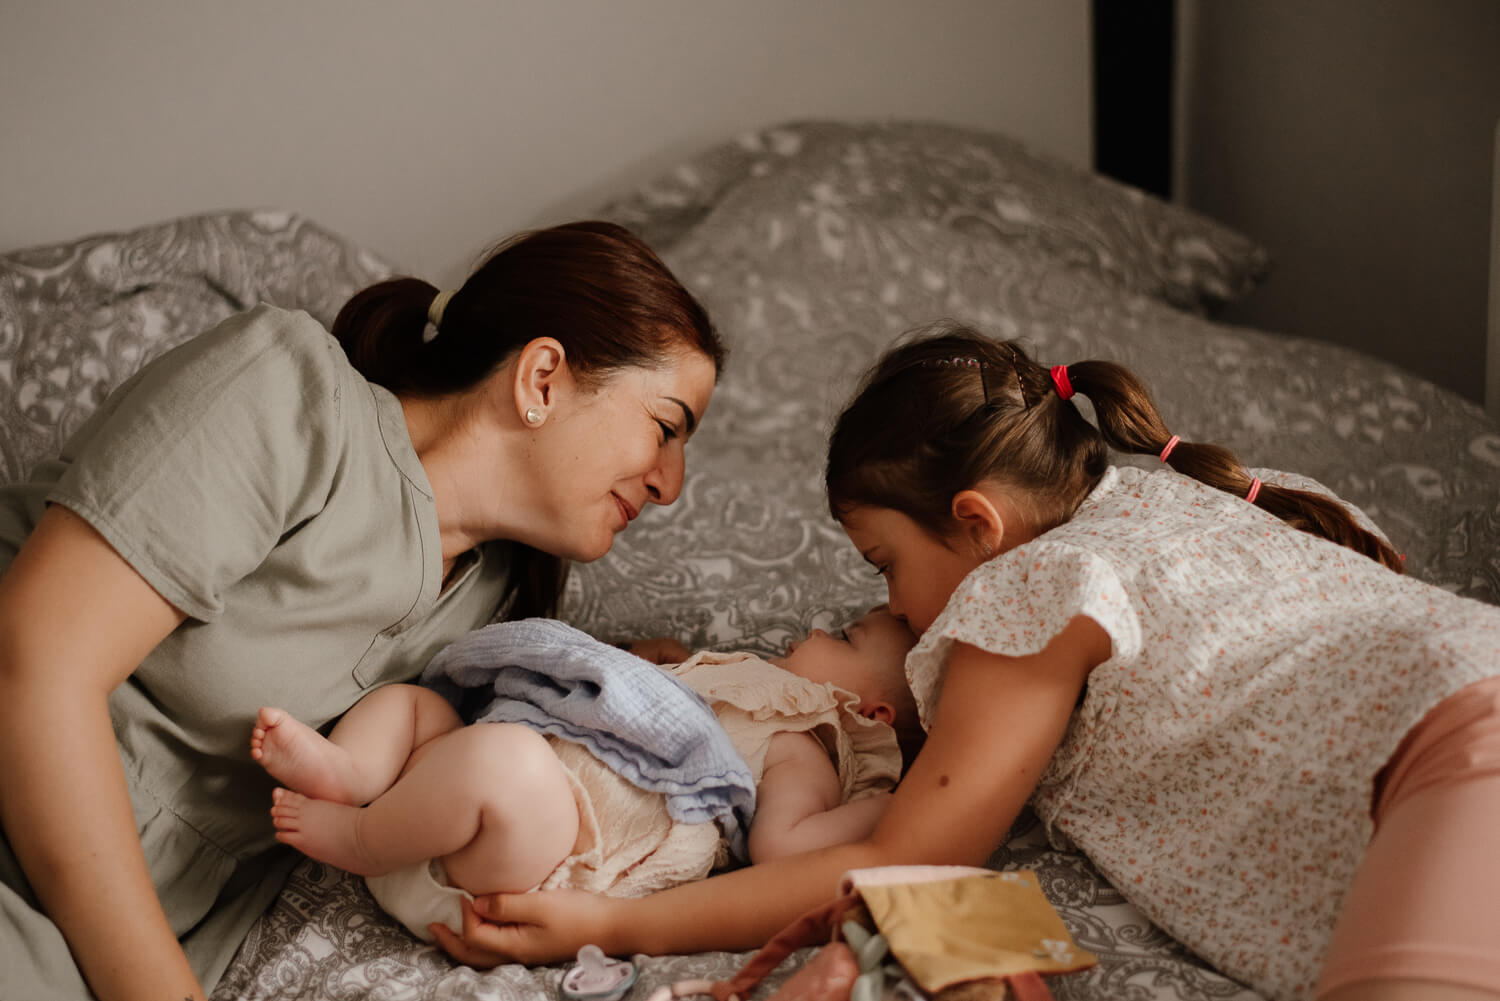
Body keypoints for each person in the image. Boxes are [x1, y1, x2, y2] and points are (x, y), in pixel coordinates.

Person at [434, 325, 1500, 1001]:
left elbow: (904, 862)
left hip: (1457, 753)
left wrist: (615, 921)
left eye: (886, 563)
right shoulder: (1223, 496)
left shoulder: (1025, 591)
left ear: (979, 523)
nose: (890, 604)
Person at [0, 220, 724, 1001]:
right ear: (541, 378)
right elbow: (37, 666)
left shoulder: (494, 602)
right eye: (666, 427)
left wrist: (606, 685)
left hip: (107, 926)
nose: (670, 484)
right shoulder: (283, 389)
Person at [249, 606, 919, 942]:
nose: (821, 626)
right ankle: (351, 770)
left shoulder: (805, 742)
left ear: (871, 709)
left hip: (532, 855)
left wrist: (894, 810)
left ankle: (361, 835)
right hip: (465, 785)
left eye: (849, 638)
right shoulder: (753, 691)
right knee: (418, 707)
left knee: (503, 765)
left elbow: (783, 846)